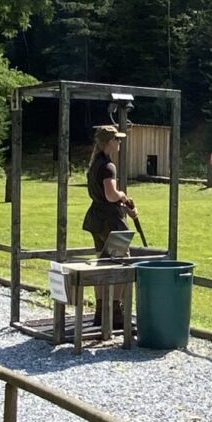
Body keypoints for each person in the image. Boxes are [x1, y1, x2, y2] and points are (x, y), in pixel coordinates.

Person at [81, 124, 135, 329]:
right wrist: (122, 195)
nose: (119, 142)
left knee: (102, 263)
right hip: (110, 220)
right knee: (122, 262)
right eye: (117, 139)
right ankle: (115, 313)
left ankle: (100, 312)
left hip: (97, 218)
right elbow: (111, 195)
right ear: (109, 142)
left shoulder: (96, 162)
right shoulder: (108, 166)